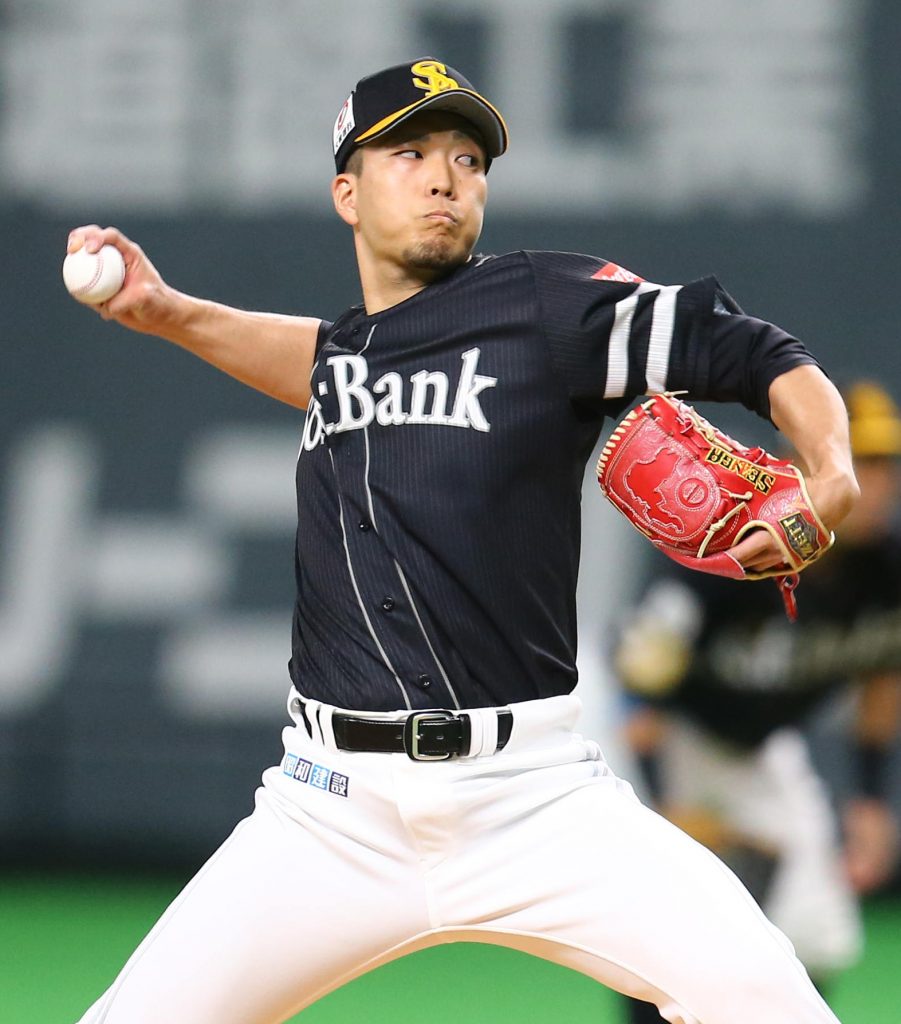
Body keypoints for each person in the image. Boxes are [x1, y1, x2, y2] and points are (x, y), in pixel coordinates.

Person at [66, 57, 858, 1024]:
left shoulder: (543, 309)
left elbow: (751, 349)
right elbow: (323, 366)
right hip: (330, 810)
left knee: (766, 997)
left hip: (532, 797)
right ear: (346, 193)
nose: (447, 176)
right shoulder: (348, 356)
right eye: (410, 152)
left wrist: (828, 472)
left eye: (468, 158)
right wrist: (173, 315)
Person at [615, 380, 901, 1024]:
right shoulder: (733, 547)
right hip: (668, 735)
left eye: (885, 464)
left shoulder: (886, 569)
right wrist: (662, 804)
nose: (875, 481)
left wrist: (870, 799)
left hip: (761, 745)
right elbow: (640, 680)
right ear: (802, 467)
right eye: (860, 460)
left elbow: (883, 680)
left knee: (816, 931)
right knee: (674, 931)